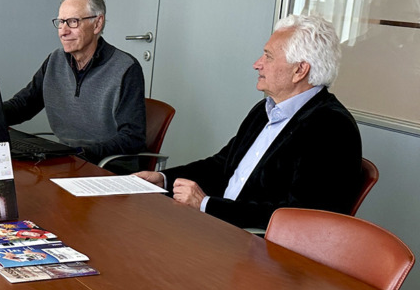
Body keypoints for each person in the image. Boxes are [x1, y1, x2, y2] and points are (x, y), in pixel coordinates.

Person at [134, 14, 362, 230]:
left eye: (268, 57)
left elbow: (301, 217)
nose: (257, 64)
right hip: (219, 228)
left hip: (257, 249)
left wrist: (206, 205)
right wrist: (164, 179)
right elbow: (222, 164)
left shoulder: (331, 127)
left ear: (300, 70)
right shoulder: (266, 109)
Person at [2, 0, 146, 163]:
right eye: (61, 22)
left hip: (108, 166)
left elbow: (132, 138)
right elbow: (24, 105)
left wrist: (82, 154)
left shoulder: (126, 68)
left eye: (72, 22)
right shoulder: (55, 60)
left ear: (97, 24)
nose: (63, 31)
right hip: (71, 159)